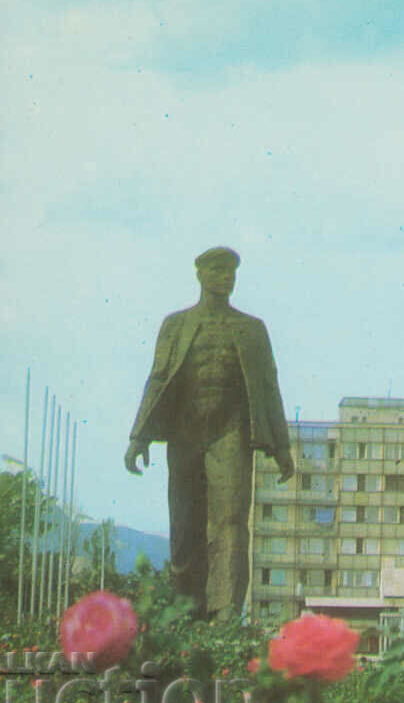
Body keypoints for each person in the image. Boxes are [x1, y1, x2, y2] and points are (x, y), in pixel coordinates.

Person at [125, 247, 294, 620]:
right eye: (218, 269)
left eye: (231, 270)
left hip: (229, 431)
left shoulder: (252, 329)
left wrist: (282, 446)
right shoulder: (176, 324)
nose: (227, 276)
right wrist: (139, 436)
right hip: (185, 432)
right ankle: (188, 608)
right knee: (184, 525)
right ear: (199, 274)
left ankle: (225, 612)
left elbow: (269, 387)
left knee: (231, 522)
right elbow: (157, 378)